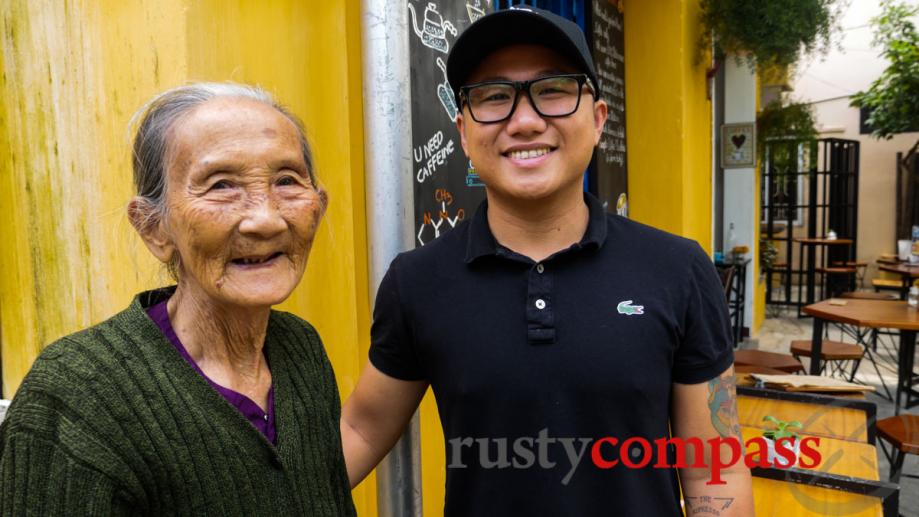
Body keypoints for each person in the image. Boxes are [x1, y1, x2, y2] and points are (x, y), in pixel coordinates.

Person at [341, 7, 753, 516]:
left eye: (554, 90)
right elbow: (361, 428)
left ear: (598, 119)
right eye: (494, 97)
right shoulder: (418, 281)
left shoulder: (677, 268)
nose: (526, 121)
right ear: (465, 133)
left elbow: (716, 463)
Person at [0, 83, 356, 516]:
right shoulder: (77, 392)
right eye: (222, 185)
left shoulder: (300, 349)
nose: (265, 218)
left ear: (318, 205)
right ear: (154, 228)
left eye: (286, 180)